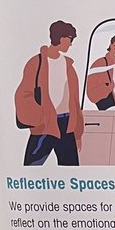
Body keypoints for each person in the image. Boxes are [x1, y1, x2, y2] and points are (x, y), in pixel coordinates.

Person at [16, 20, 83, 166]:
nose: (71, 44)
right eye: (70, 40)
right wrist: (39, 116)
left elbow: (74, 100)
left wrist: (78, 132)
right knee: (31, 170)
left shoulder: (68, 65)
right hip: (44, 124)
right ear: (62, 38)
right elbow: (23, 94)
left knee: (71, 172)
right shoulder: (36, 63)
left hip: (67, 124)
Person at [85, 35, 115, 110]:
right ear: (110, 46)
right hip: (108, 105)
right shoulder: (100, 63)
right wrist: (107, 88)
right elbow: (90, 91)